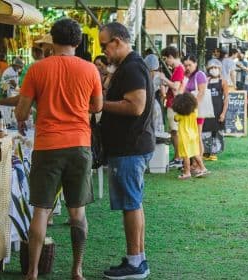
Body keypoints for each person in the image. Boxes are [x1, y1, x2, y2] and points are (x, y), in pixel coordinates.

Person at [15, 18, 103, 280]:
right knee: (78, 212)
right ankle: (77, 270)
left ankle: (31, 272)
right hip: (79, 145)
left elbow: (21, 111)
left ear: (53, 40)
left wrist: (41, 105)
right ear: (78, 42)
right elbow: (97, 107)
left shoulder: (37, 69)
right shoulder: (90, 70)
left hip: (47, 145)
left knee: (41, 210)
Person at [99, 22, 155, 279]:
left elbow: (136, 107)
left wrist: (101, 105)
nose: (103, 51)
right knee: (133, 204)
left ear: (118, 40)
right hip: (131, 147)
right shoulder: (130, 65)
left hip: (130, 148)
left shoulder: (132, 67)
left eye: (104, 45)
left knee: (131, 204)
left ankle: (135, 263)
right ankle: (137, 258)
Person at [172, 93, 209, 179]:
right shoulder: (194, 112)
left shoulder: (179, 115)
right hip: (193, 135)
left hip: (184, 137)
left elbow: (175, 119)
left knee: (186, 155)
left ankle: (187, 172)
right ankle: (203, 168)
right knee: (195, 153)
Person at [160, 46, 185, 168]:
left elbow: (175, 87)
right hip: (173, 103)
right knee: (174, 132)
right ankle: (178, 156)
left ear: (171, 57)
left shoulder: (179, 69)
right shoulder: (177, 69)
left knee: (175, 132)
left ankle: (178, 157)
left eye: (166, 59)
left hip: (174, 104)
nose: (166, 62)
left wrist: (164, 79)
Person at [202, 60, 229, 161]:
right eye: (211, 68)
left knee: (216, 132)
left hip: (218, 110)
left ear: (219, 69)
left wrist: (223, 113)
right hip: (207, 110)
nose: (213, 70)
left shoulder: (223, 82)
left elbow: (226, 98)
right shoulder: (206, 81)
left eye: (215, 68)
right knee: (206, 131)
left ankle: (214, 152)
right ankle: (206, 152)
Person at [182, 55, 207, 157]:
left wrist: (193, 107)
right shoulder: (189, 76)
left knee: (197, 136)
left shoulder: (199, 75)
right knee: (193, 136)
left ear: (195, 64)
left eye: (189, 65)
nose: (187, 67)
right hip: (190, 110)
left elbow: (202, 92)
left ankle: (199, 163)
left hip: (197, 110)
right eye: (185, 65)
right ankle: (195, 162)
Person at [144, 54, 166, 133]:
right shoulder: (160, 76)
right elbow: (163, 93)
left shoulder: (143, 75)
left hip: (144, 102)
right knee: (157, 125)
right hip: (154, 102)